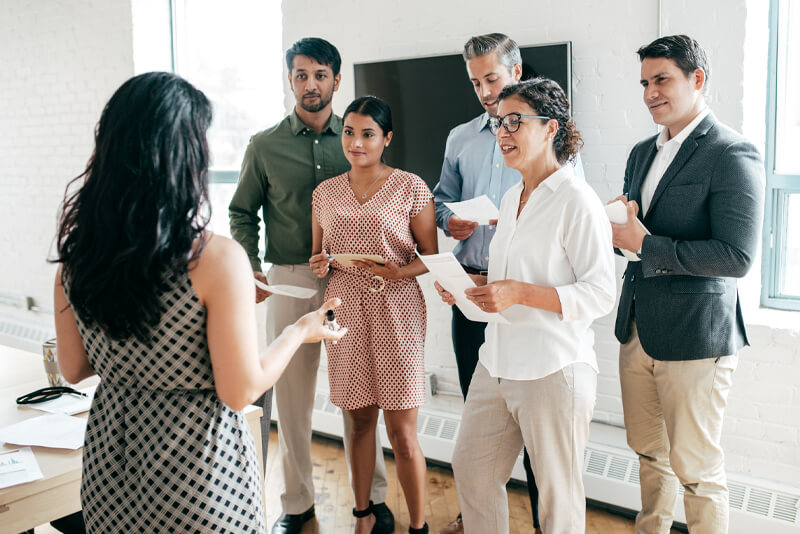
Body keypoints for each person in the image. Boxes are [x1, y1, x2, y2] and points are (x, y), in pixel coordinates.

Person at [52, 71, 346, 533]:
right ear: (183, 155)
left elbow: (73, 367)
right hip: (196, 477)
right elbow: (240, 390)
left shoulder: (77, 256)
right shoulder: (214, 259)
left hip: (111, 473)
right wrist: (299, 331)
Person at [228, 37, 394, 534]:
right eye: (300, 75)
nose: (310, 85)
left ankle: (374, 497)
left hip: (352, 278)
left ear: (336, 80)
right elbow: (241, 212)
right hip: (291, 280)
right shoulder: (264, 145)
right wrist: (252, 267)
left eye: (320, 75)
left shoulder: (357, 138)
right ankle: (297, 504)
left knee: (360, 394)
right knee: (293, 399)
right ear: (290, 80)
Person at [436, 78, 616, 533]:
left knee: (557, 503)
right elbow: (508, 278)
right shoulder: (512, 197)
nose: (503, 132)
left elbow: (600, 293)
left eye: (515, 121)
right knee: (472, 470)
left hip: (553, 369)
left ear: (551, 128)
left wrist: (518, 293)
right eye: (499, 123)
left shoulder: (578, 201)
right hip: (496, 362)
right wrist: (468, 285)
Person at [610, 35, 764, 534]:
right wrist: (618, 233)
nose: (650, 92)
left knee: (697, 472)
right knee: (649, 456)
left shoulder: (731, 151)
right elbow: (634, 237)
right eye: (644, 83)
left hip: (697, 336)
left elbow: (736, 257)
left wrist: (646, 242)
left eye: (661, 80)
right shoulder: (640, 153)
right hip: (637, 329)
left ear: (697, 80)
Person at [309, 95, 437, 534]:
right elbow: (317, 255)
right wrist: (321, 264)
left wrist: (400, 269)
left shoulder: (411, 187)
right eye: (349, 132)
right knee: (358, 419)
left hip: (396, 307)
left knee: (402, 431)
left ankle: (417, 526)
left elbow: (432, 257)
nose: (356, 143)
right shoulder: (324, 192)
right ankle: (362, 516)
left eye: (367, 134)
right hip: (343, 306)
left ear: (387, 138)